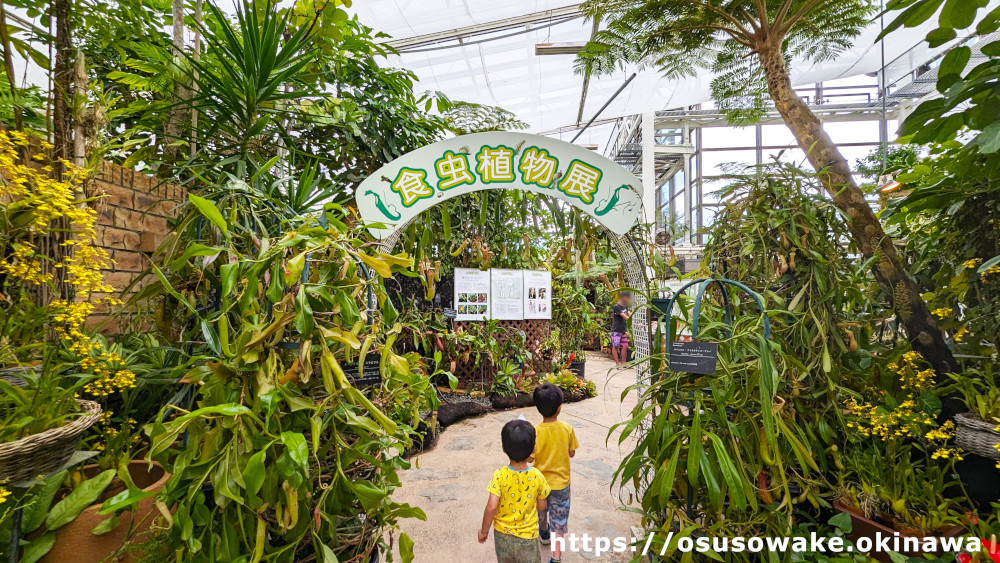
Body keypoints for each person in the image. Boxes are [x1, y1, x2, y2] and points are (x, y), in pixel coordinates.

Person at [478, 419, 551, 563]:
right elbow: (542, 506)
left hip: (502, 536)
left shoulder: (499, 475)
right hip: (528, 536)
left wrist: (484, 531)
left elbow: (492, 507)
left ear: (503, 448)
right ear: (534, 449)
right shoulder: (537, 476)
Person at [532, 383, 580, 563]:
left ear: (538, 409)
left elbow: (529, 458)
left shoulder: (535, 431)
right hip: (561, 484)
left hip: (540, 486)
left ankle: (543, 531)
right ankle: (556, 557)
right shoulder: (567, 428)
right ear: (559, 408)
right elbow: (572, 452)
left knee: (541, 512)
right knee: (559, 522)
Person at [611, 291, 631, 366]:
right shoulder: (617, 307)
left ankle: (624, 362)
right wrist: (631, 320)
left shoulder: (625, 306)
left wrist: (636, 321)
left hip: (623, 330)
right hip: (616, 330)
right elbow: (625, 317)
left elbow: (629, 315)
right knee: (615, 346)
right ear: (623, 297)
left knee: (625, 346)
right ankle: (617, 363)